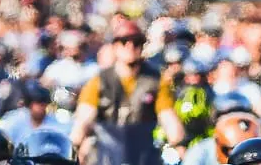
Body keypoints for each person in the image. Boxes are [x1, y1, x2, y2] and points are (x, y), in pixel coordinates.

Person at [70, 19, 182, 152]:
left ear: (142, 46)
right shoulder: (98, 81)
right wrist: (75, 144)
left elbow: (168, 118)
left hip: (143, 153)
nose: (130, 46)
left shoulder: (156, 81)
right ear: (115, 46)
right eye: (124, 41)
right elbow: (83, 120)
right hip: (106, 154)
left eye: (136, 42)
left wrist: (178, 143)